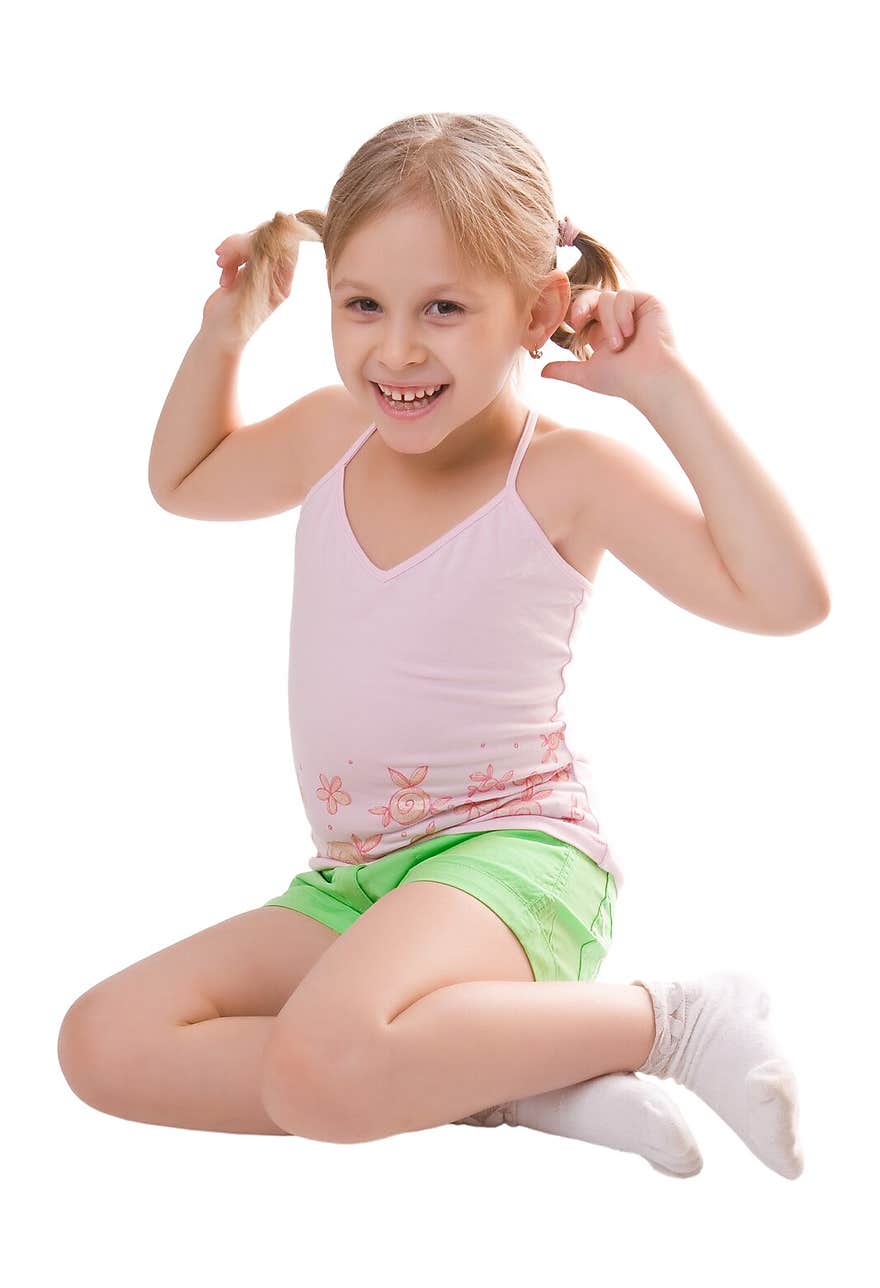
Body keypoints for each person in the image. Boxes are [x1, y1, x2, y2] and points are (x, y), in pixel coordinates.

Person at [57, 113, 829, 1180]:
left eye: (446, 310)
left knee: (316, 1067)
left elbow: (788, 600)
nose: (398, 348)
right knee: (103, 1042)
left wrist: (665, 389)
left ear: (540, 312)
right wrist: (224, 334)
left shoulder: (562, 476)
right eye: (362, 305)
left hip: (515, 864)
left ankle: (672, 1020)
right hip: (356, 881)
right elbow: (183, 483)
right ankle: (500, 1082)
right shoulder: (335, 434)